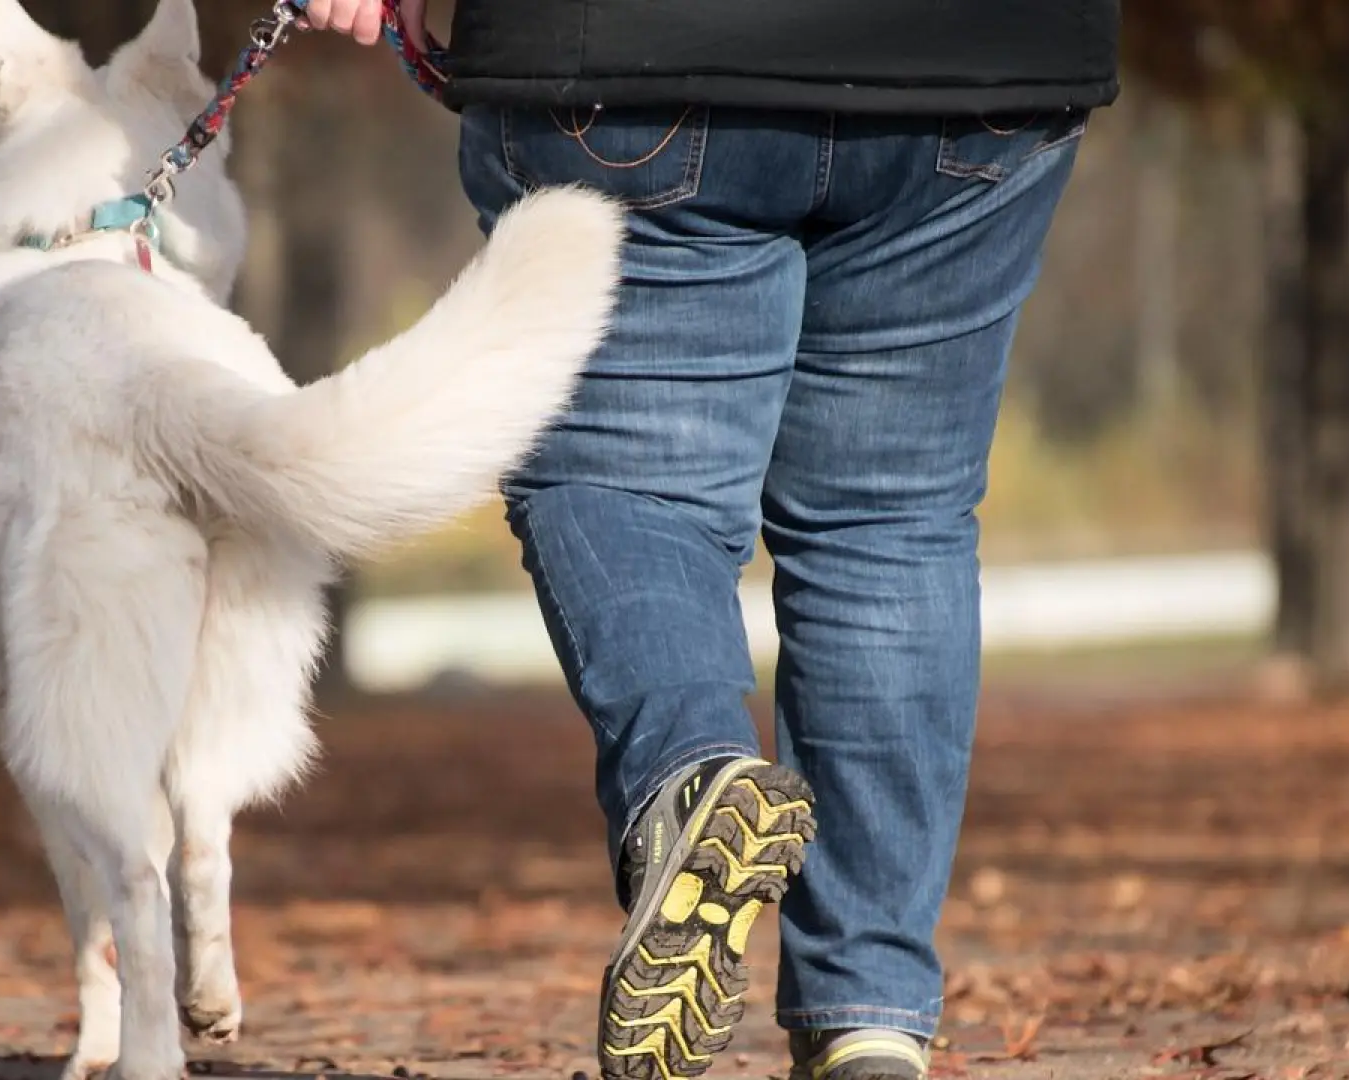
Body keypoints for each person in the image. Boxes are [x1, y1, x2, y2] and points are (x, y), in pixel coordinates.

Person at [305, 2, 1119, 1078]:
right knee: (891, 521)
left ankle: (691, 773)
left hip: (632, 56)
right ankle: (869, 1017)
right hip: (979, 65)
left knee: (623, 478)